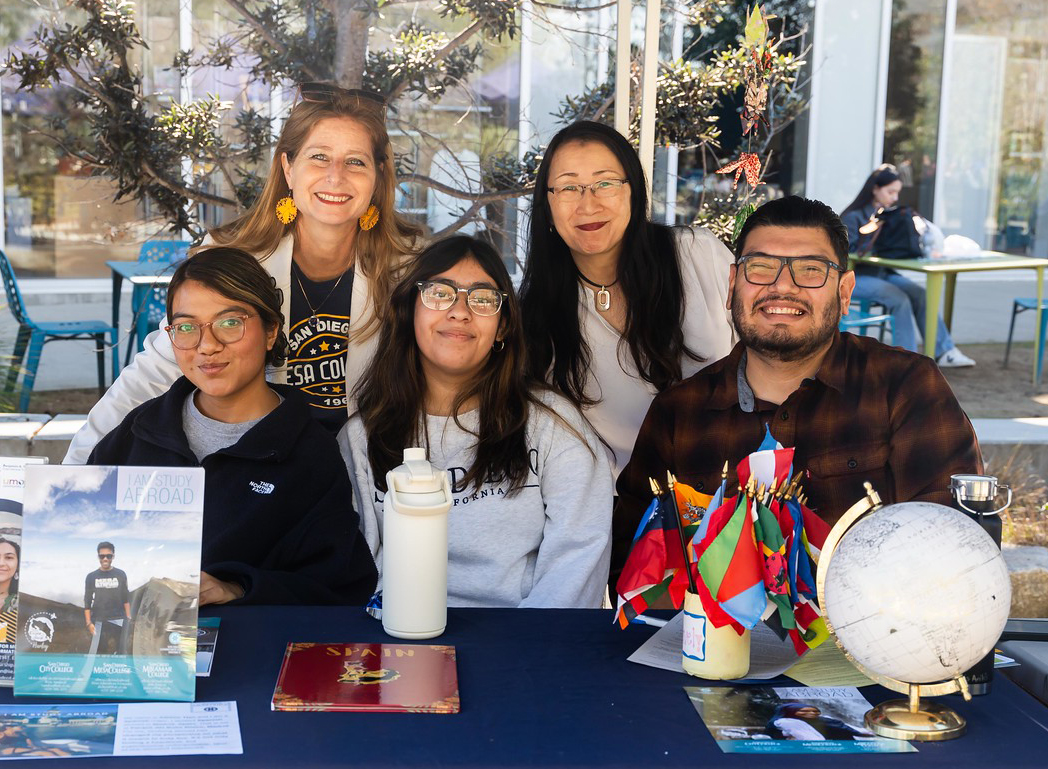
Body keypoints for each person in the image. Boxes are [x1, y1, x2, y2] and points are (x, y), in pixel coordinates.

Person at [612, 195, 982, 586]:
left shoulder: (904, 388)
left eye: (810, 270)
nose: (782, 287)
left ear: (844, 292)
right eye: (761, 268)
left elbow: (952, 548)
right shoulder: (678, 414)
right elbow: (632, 570)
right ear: (732, 286)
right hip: (710, 645)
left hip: (867, 642)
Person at [65, 85, 418, 462]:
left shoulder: (410, 267)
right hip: (253, 468)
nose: (336, 177)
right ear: (288, 168)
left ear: (378, 175)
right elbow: (161, 369)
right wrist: (76, 473)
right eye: (319, 157)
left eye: (355, 162)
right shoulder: (231, 255)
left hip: (369, 472)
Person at [88, 248, 377, 608]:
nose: (207, 346)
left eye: (229, 323)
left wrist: (239, 589)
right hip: (137, 654)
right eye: (187, 328)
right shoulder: (137, 434)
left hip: (251, 655)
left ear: (271, 330)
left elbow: (336, 588)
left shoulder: (309, 456)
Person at [341, 233, 613, 609]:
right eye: (439, 293)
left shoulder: (554, 426)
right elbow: (357, 571)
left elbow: (579, 556)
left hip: (519, 645)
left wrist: (521, 656)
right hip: (398, 639)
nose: (459, 311)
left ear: (502, 327)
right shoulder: (362, 437)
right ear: (409, 312)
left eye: (483, 299)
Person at [519, 121, 733, 475]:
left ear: (633, 191)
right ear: (548, 207)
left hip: (732, 499)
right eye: (569, 187)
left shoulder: (698, 255)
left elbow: (765, 359)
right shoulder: (536, 316)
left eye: (605, 183)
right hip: (621, 514)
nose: (588, 204)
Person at [842, 165, 974, 368]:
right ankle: (906, 362)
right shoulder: (854, 217)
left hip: (882, 273)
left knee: (920, 293)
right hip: (855, 277)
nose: (895, 198)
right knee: (900, 299)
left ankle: (945, 351)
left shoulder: (890, 216)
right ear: (875, 189)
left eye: (897, 192)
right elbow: (844, 253)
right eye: (890, 192)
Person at [83, 541, 131, 656]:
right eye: (102, 556)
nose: (105, 558)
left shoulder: (121, 574)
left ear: (113, 556)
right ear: (98, 557)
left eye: (108, 556)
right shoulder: (91, 577)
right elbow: (87, 601)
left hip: (119, 619)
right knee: (98, 653)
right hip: (99, 620)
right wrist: (88, 622)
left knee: (120, 652)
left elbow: (125, 597)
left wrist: (128, 618)